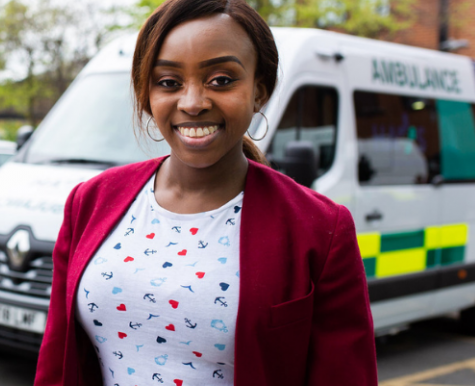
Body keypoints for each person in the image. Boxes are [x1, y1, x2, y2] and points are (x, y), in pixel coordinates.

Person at [34, 0, 377, 384]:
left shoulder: (320, 228)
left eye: (222, 80)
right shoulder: (91, 201)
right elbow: (57, 363)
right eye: (169, 82)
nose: (193, 102)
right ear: (146, 95)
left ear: (259, 91)